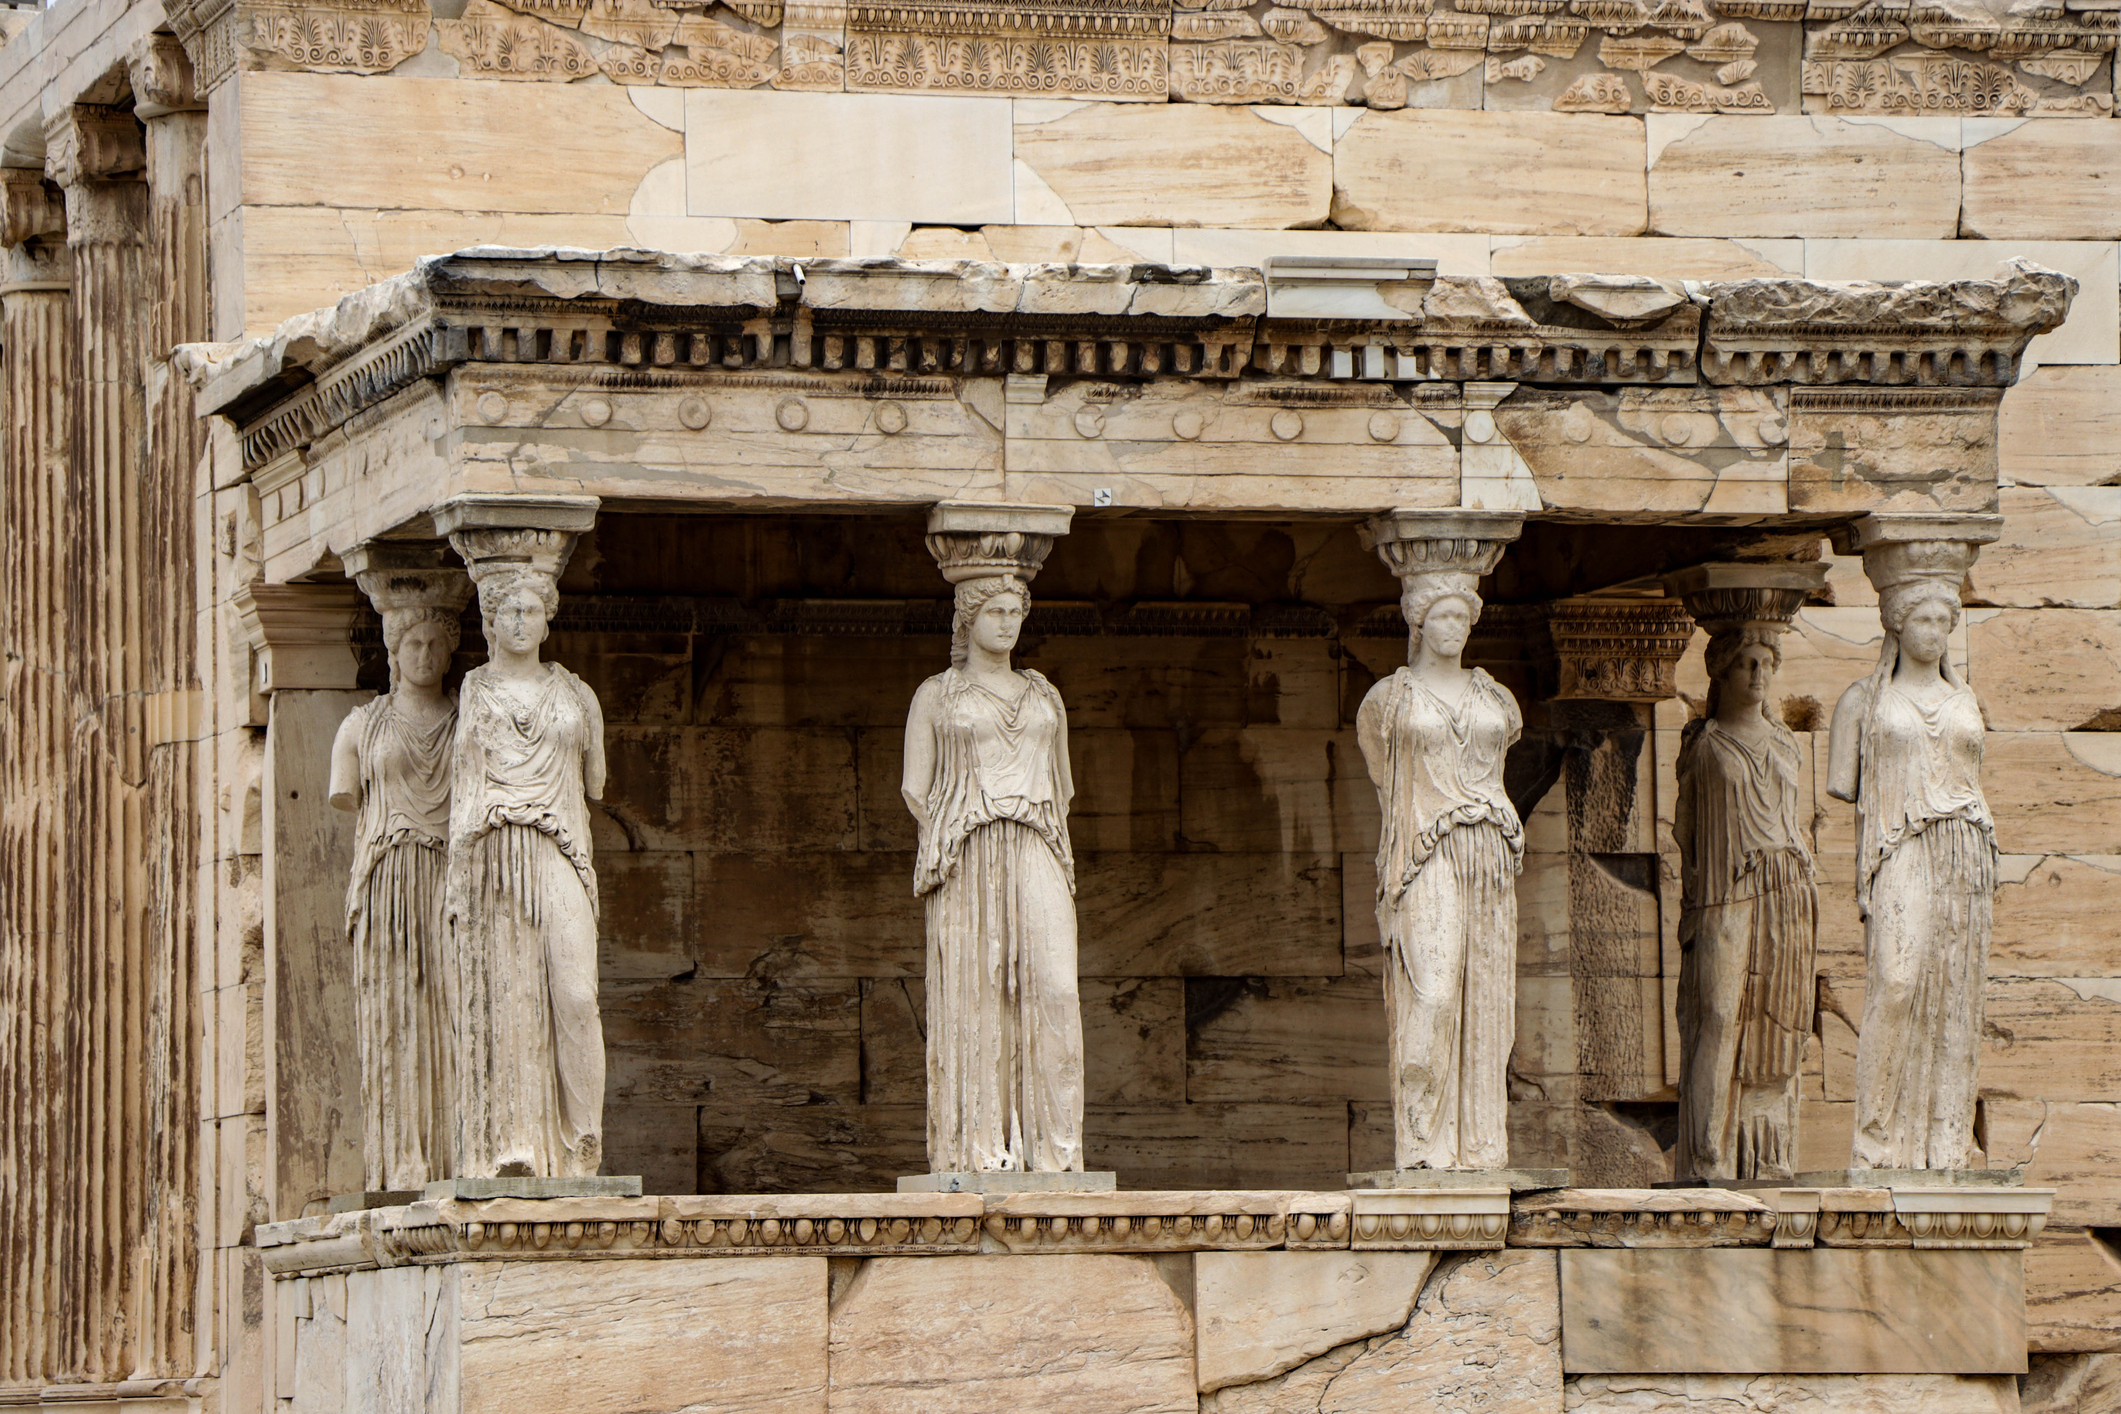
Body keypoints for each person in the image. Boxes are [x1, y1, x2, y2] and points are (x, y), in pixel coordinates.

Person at [901, 573, 1084, 1174]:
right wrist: (962, 828)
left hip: (1037, 841)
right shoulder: (937, 694)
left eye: (1015, 612)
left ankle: (1056, 1153)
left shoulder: (1044, 694)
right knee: (977, 992)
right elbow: (916, 788)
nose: (1008, 623)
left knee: (1056, 987)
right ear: (968, 618)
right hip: (967, 849)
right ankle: (977, 1150)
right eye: (995, 612)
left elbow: (1063, 785)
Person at [1356, 575, 1522, 1170]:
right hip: (1425, 850)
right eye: (1444, 616)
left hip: (1491, 848)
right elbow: (1384, 779)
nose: (1455, 627)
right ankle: (1423, 1144)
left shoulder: (1497, 698)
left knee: (1487, 998)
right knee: (1433, 991)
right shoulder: (1387, 701)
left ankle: (1479, 1148)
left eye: (1463, 617)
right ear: (1418, 621)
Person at [446, 565, 607, 1178]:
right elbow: (465, 789)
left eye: (531, 610)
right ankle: (515, 1145)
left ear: (548, 618)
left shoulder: (577, 695)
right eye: (508, 610)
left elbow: (595, 783)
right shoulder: (474, 691)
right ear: (490, 620)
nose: (520, 621)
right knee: (508, 998)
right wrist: (459, 878)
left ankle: (584, 1141)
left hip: (561, 847)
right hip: (494, 852)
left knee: (576, 995)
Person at [1827, 580, 1994, 1170]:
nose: (1936, 632)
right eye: (1924, 619)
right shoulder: (1862, 702)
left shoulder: (1965, 700)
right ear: (1897, 624)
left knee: (1955, 993)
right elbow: (1843, 782)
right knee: (1896, 982)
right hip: (1899, 845)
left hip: (1966, 848)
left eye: (1945, 622)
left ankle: (1945, 1145)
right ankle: (1874, 1143)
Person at [1673, 627, 1816, 1181]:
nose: (1759, 675)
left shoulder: (1785, 742)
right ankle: (1707, 1153)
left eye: (1766, 664)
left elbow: (1793, 815)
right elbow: (1685, 828)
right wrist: (1699, 894)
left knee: (1775, 1017)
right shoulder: (1704, 744)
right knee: (1719, 1013)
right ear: (1722, 671)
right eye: (1746, 664)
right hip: (1723, 893)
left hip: (1786, 888)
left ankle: (1764, 1154)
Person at [329, 597, 461, 1190]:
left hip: (452, 877)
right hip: (388, 879)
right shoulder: (360, 727)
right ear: (394, 651)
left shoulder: (467, 720)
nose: (425, 655)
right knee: (398, 1012)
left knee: (454, 1011)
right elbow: (345, 793)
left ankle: (457, 1152)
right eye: (414, 644)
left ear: (451, 653)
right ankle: (401, 1157)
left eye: (436, 645)